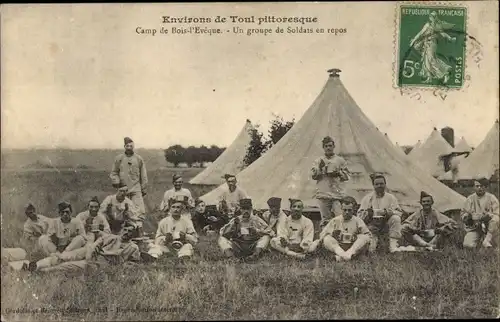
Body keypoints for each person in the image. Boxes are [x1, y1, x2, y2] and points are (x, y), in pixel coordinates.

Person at [23, 225, 141, 273]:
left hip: (101, 262)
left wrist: (122, 265)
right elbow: (96, 243)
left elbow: (134, 263)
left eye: (130, 232)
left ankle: (42, 271)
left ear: (133, 235)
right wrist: (91, 251)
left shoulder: (133, 247)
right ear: (122, 229)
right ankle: (35, 265)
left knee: (69, 266)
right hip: (90, 253)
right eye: (126, 229)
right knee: (63, 256)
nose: (127, 232)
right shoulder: (111, 237)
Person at [357, 173, 403, 253]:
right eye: (377, 184)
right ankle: (374, 241)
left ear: (385, 184)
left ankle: (393, 245)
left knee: (396, 218)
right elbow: (359, 216)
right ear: (373, 185)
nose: (379, 186)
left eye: (381, 184)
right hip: (372, 226)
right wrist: (368, 214)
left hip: (386, 224)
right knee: (371, 250)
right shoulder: (367, 198)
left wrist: (388, 212)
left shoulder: (391, 198)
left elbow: (399, 212)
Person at [311, 136, 350, 228]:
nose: (328, 148)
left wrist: (338, 173)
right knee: (325, 219)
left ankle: (339, 237)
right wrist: (320, 169)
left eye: (330, 146)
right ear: (323, 147)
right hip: (323, 193)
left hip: (337, 194)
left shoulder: (340, 160)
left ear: (333, 146)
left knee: (340, 217)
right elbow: (314, 176)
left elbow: (347, 176)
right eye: (326, 146)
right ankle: (325, 238)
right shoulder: (318, 160)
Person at [409, 11, 457, 84]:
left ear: (435, 18)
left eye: (433, 17)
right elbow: (420, 33)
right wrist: (414, 40)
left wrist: (450, 38)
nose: (431, 18)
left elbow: (442, 33)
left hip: (432, 44)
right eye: (431, 16)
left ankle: (445, 73)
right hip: (425, 43)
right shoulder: (427, 25)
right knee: (426, 60)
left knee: (431, 60)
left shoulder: (436, 26)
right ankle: (429, 77)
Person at [145, 196, 198, 261]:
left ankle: (183, 258)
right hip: (167, 247)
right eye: (173, 207)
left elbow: (195, 239)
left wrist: (185, 236)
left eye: (178, 207)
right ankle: (153, 257)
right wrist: (165, 238)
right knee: (156, 247)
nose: (176, 209)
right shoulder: (163, 221)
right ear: (170, 208)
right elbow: (157, 239)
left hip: (181, 246)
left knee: (188, 246)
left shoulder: (187, 221)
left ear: (182, 209)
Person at [319, 196, 371, 261]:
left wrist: (356, 236)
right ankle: (346, 256)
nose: (347, 212)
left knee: (364, 237)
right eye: (345, 210)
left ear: (353, 210)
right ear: (341, 209)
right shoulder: (335, 220)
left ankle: (343, 257)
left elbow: (368, 235)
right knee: (327, 239)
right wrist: (332, 234)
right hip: (339, 247)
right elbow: (322, 235)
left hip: (353, 247)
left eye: (349, 210)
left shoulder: (358, 220)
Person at [110, 137, 148, 223]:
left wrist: (144, 188)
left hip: (136, 188)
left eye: (131, 146)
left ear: (133, 147)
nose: (129, 148)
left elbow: (143, 175)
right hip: (123, 189)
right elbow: (114, 172)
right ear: (124, 146)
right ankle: (125, 230)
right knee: (123, 209)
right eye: (127, 146)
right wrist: (117, 182)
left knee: (139, 210)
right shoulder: (119, 159)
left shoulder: (138, 159)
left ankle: (138, 229)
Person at [461, 178, 499, 249]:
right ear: (474, 187)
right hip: (475, 227)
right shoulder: (470, 199)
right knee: (467, 245)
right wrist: (467, 217)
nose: (479, 188)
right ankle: (480, 240)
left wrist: (489, 216)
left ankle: (486, 240)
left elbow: (497, 213)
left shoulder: (491, 197)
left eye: (482, 186)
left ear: (486, 187)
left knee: (496, 219)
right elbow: (463, 213)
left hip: (490, 228)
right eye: (477, 186)